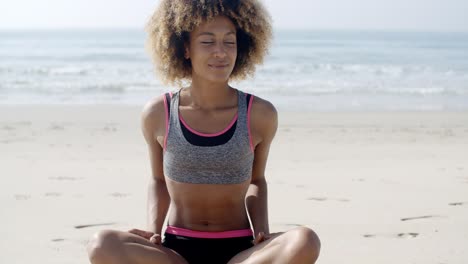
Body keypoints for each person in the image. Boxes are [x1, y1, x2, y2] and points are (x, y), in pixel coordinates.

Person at [86, 0, 320, 263]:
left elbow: (257, 180)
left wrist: (261, 231)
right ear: (185, 48)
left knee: (305, 240)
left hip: (240, 253)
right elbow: (158, 180)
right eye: (208, 42)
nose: (220, 52)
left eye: (229, 42)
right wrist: (154, 230)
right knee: (101, 244)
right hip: (176, 252)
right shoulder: (158, 113)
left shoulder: (259, 114)